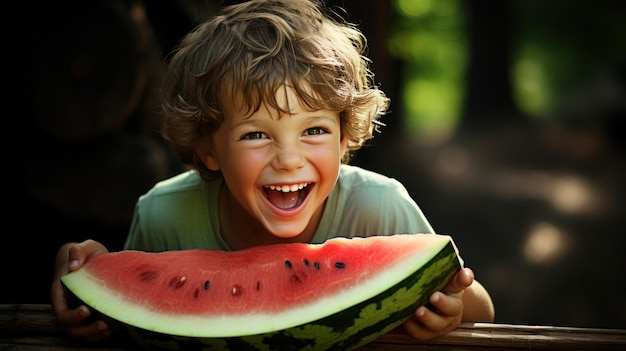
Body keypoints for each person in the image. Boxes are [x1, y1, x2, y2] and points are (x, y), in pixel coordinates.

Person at [51, 0, 495, 344]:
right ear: (208, 149)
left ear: (344, 141)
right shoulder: (163, 214)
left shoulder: (380, 206)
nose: (288, 159)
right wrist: (82, 281)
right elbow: (129, 312)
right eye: (255, 135)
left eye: (314, 130)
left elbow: (482, 309)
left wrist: (454, 307)